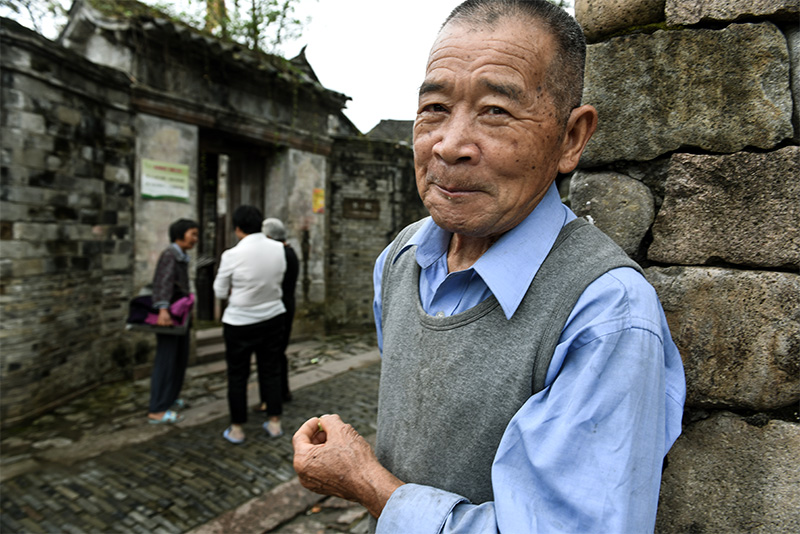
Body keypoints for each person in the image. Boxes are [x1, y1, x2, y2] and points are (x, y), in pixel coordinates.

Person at [292, 1, 686, 532]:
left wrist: (366, 482)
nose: (449, 145)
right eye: (434, 107)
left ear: (571, 138)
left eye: (496, 111)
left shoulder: (606, 315)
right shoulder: (402, 258)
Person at [213, 205, 287, 443]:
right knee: (271, 369)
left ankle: (237, 428)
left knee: (238, 375)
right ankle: (274, 422)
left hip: (240, 321)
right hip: (273, 316)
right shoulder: (279, 249)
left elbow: (219, 290)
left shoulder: (231, 255)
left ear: (237, 228)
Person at [147, 218, 199, 424]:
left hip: (180, 316)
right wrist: (163, 309)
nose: (195, 239)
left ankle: (169, 399)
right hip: (168, 317)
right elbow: (162, 282)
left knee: (179, 359)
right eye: (192, 234)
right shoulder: (170, 254)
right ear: (180, 234)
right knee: (166, 360)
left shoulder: (181, 256)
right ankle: (157, 409)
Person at [260, 217, 300, 405]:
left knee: (273, 354)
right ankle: (283, 391)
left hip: (279, 308)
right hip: (287, 304)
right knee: (278, 352)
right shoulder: (290, 251)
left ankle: (274, 396)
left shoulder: (281, 254)